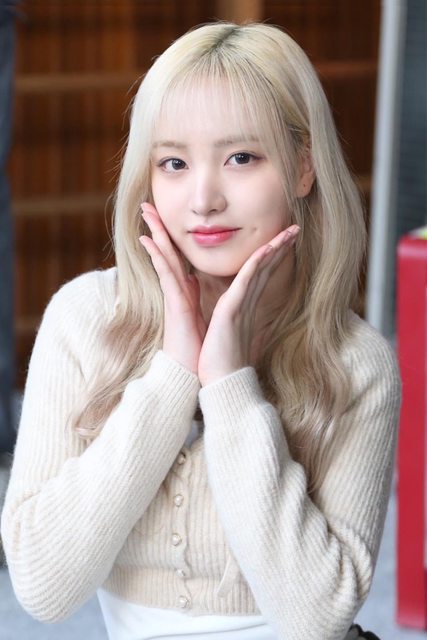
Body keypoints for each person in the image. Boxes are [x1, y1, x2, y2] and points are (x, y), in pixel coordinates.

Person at [0, 22, 400, 640]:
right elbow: (43, 587)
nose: (203, 198)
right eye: (174, 163)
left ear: (303, 167)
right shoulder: (84, 319)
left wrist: (230, 385)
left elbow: (316, 619)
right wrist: (172, 375)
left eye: (241, 158)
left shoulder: (355, 361)